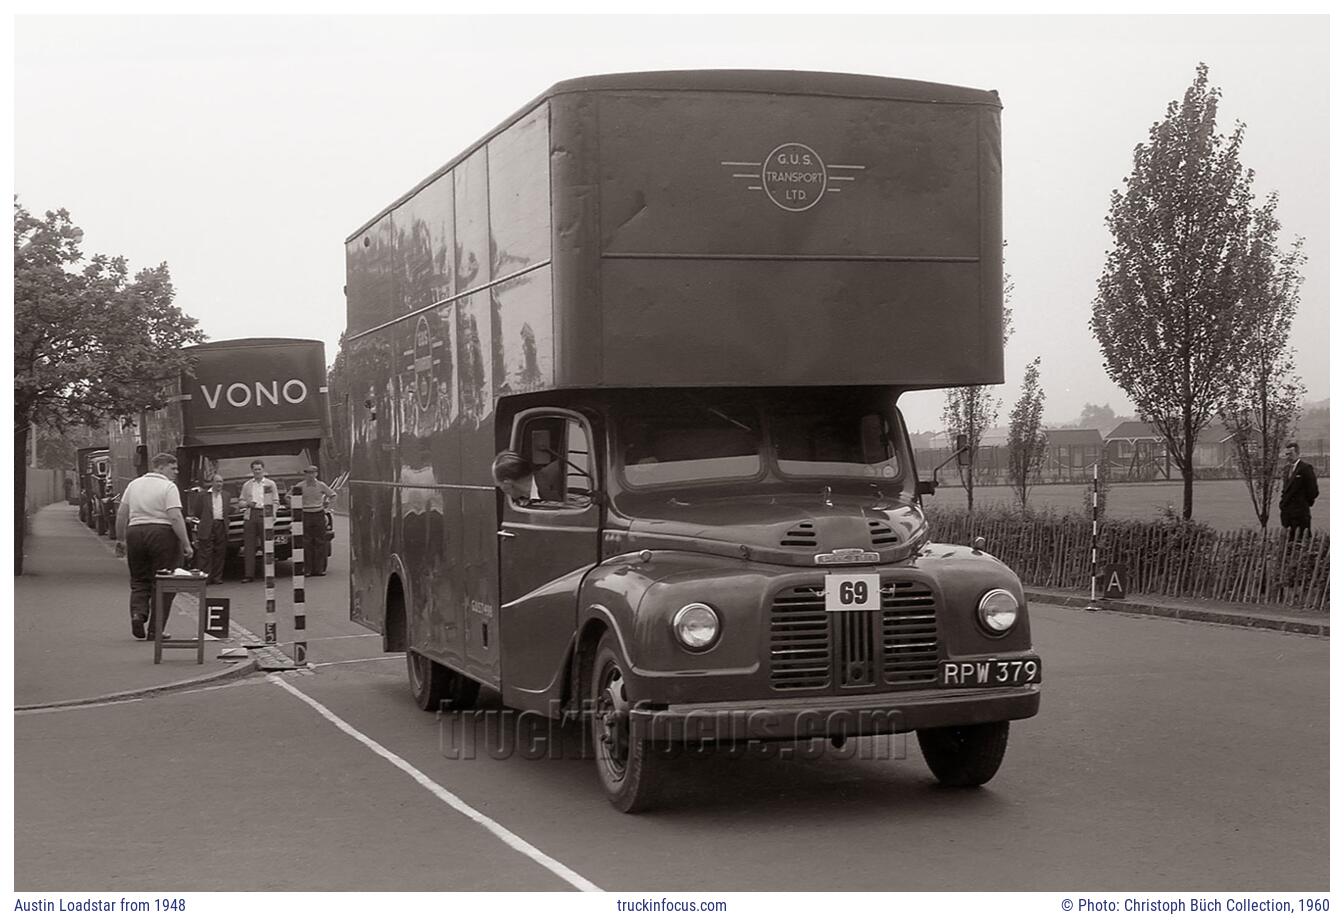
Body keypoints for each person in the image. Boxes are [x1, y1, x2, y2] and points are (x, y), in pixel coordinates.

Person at [114, 452, 190, 640]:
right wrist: (186, 543)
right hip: (161, 534)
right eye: (173, 468)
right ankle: (156, 630)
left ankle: (137, 614)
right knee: (164, 581)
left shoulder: (134, 485)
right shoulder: (168, 487)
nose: (176, 471)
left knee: (139, 579)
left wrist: (121, 539)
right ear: (161, 467)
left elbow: (122, 514)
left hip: (135, 532)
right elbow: (175, 516)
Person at [289, 465, 337, 576]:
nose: (310, 475)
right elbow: (288, 496)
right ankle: (307, 569)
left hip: (319, 513)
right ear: (305, 475)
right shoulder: (300, 486)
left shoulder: (321, 485)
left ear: (316, 474)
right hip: (305, 514)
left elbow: (333, 495)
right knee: (306, 542)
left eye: (312, 473)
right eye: (307, 473)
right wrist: (296, 507)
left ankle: (320, 569)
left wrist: (327, 509)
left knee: (320, 542)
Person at [237, 460, 279, 582]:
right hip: (251, 514)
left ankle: (268, 573)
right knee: (249, 546)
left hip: (265, 513)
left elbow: (276, 501)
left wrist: (273, 514)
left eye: (259, 469)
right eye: (255, 469)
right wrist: (247, 503)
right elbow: (241, 502)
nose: (257, 472)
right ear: (252, 471)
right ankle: (249, 574)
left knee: (267, 545)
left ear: (263, 470)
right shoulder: (247, 485)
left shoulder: (270, 484)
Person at [191, 473, 233, 584]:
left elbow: (227, 511)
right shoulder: (202, 496)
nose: (220, 484)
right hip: (207, 525)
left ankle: (217, 577)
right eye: (217, 481)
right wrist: (204, 521)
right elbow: (197, 511)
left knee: (220, 552)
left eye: (221, 482)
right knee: (206, 553)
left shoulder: (226, 495)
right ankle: (206, 577)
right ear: (212, 483)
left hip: (221, 525)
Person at [1279, 441, 1319, 537]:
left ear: (1297, 453)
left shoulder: (1305, 469)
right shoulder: (1286, 469)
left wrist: (1303, 503)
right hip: (1287, 514)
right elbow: (1285, 490)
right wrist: (1282, 504)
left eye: (1291, 454)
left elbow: (1313, 491)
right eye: (1287, 454)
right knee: (1289, 543)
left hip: (1300, 514)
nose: (1288, 456)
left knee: (1302, 540)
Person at [491, 450, 562, 503]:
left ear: (507, 484)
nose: (502, 491)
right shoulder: (523, 502)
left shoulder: (560, 471)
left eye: (499, 485)